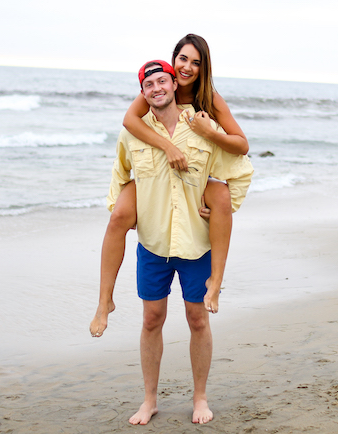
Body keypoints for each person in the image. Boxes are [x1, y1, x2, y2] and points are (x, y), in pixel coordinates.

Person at [108, 60, 252, 425]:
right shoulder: (132, 132)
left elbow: (238, 167)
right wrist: (125, 213)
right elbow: (120, 176)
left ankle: (200, 398)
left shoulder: (202, 126)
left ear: (174, 84)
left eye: (162, 81)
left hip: (194, 243)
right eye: (148, 85)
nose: (156, 88)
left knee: (197, 320)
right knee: (151, 319)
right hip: (153, 244)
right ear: (142, 93)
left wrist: (221, 208)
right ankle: (149, 400)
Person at [90, 34, 248, 338]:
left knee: (223, 197)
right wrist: (167, 147)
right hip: (157, 171)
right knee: (118, 216)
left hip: (198, 171)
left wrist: (208, 131)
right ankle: (104, 301)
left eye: (196, 62)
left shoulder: (209, 98)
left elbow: (241, 146)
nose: (187, 67)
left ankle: (215, 281)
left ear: (204, 68)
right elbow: (130, 122)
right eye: (183, 59)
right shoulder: (159, 82)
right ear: (174, 61)